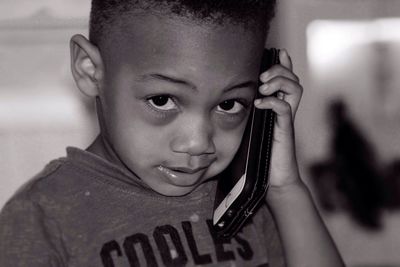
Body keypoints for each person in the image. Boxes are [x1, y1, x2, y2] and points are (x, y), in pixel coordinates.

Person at [0, 0, 344, 266]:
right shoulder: (41, 217)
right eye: (162, 100)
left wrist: (285, 189)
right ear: (90, 70)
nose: (198, 144)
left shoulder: (242, 201)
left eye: (229, 105)